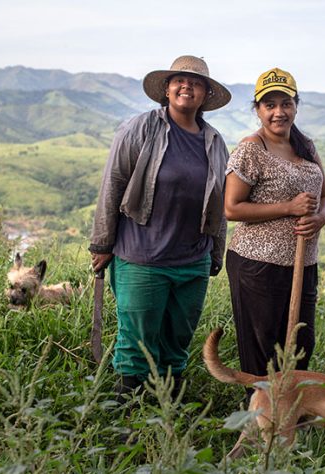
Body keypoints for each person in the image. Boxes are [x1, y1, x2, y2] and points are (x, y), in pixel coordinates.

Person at [89, 55, 232, 400]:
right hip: (142, 256)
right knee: (137, 338)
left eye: (196, 83)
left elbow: (220, 204)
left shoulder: (214, 141)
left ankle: (170, 404)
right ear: (166, 89)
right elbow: (114, 182)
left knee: (178, 338)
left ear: (205, 95)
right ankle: (126, 407)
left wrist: (216, 252)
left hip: (192, 260)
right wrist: (102, 242)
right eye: (179, 80)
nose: (187, 87)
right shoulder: (140, 128)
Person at [224, 67, 325, 382]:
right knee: (263, 351)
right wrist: (289, 207)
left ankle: (289, 419)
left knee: (300, 344)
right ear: (257, 109)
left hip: (303, 264)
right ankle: (258, 422)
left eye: (286, 103)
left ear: (296, 105)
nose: (278, 112)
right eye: (269, 105)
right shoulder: (251, 149)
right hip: (258, 266)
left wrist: (320, 218)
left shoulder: (306, 146)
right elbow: (231, 208)